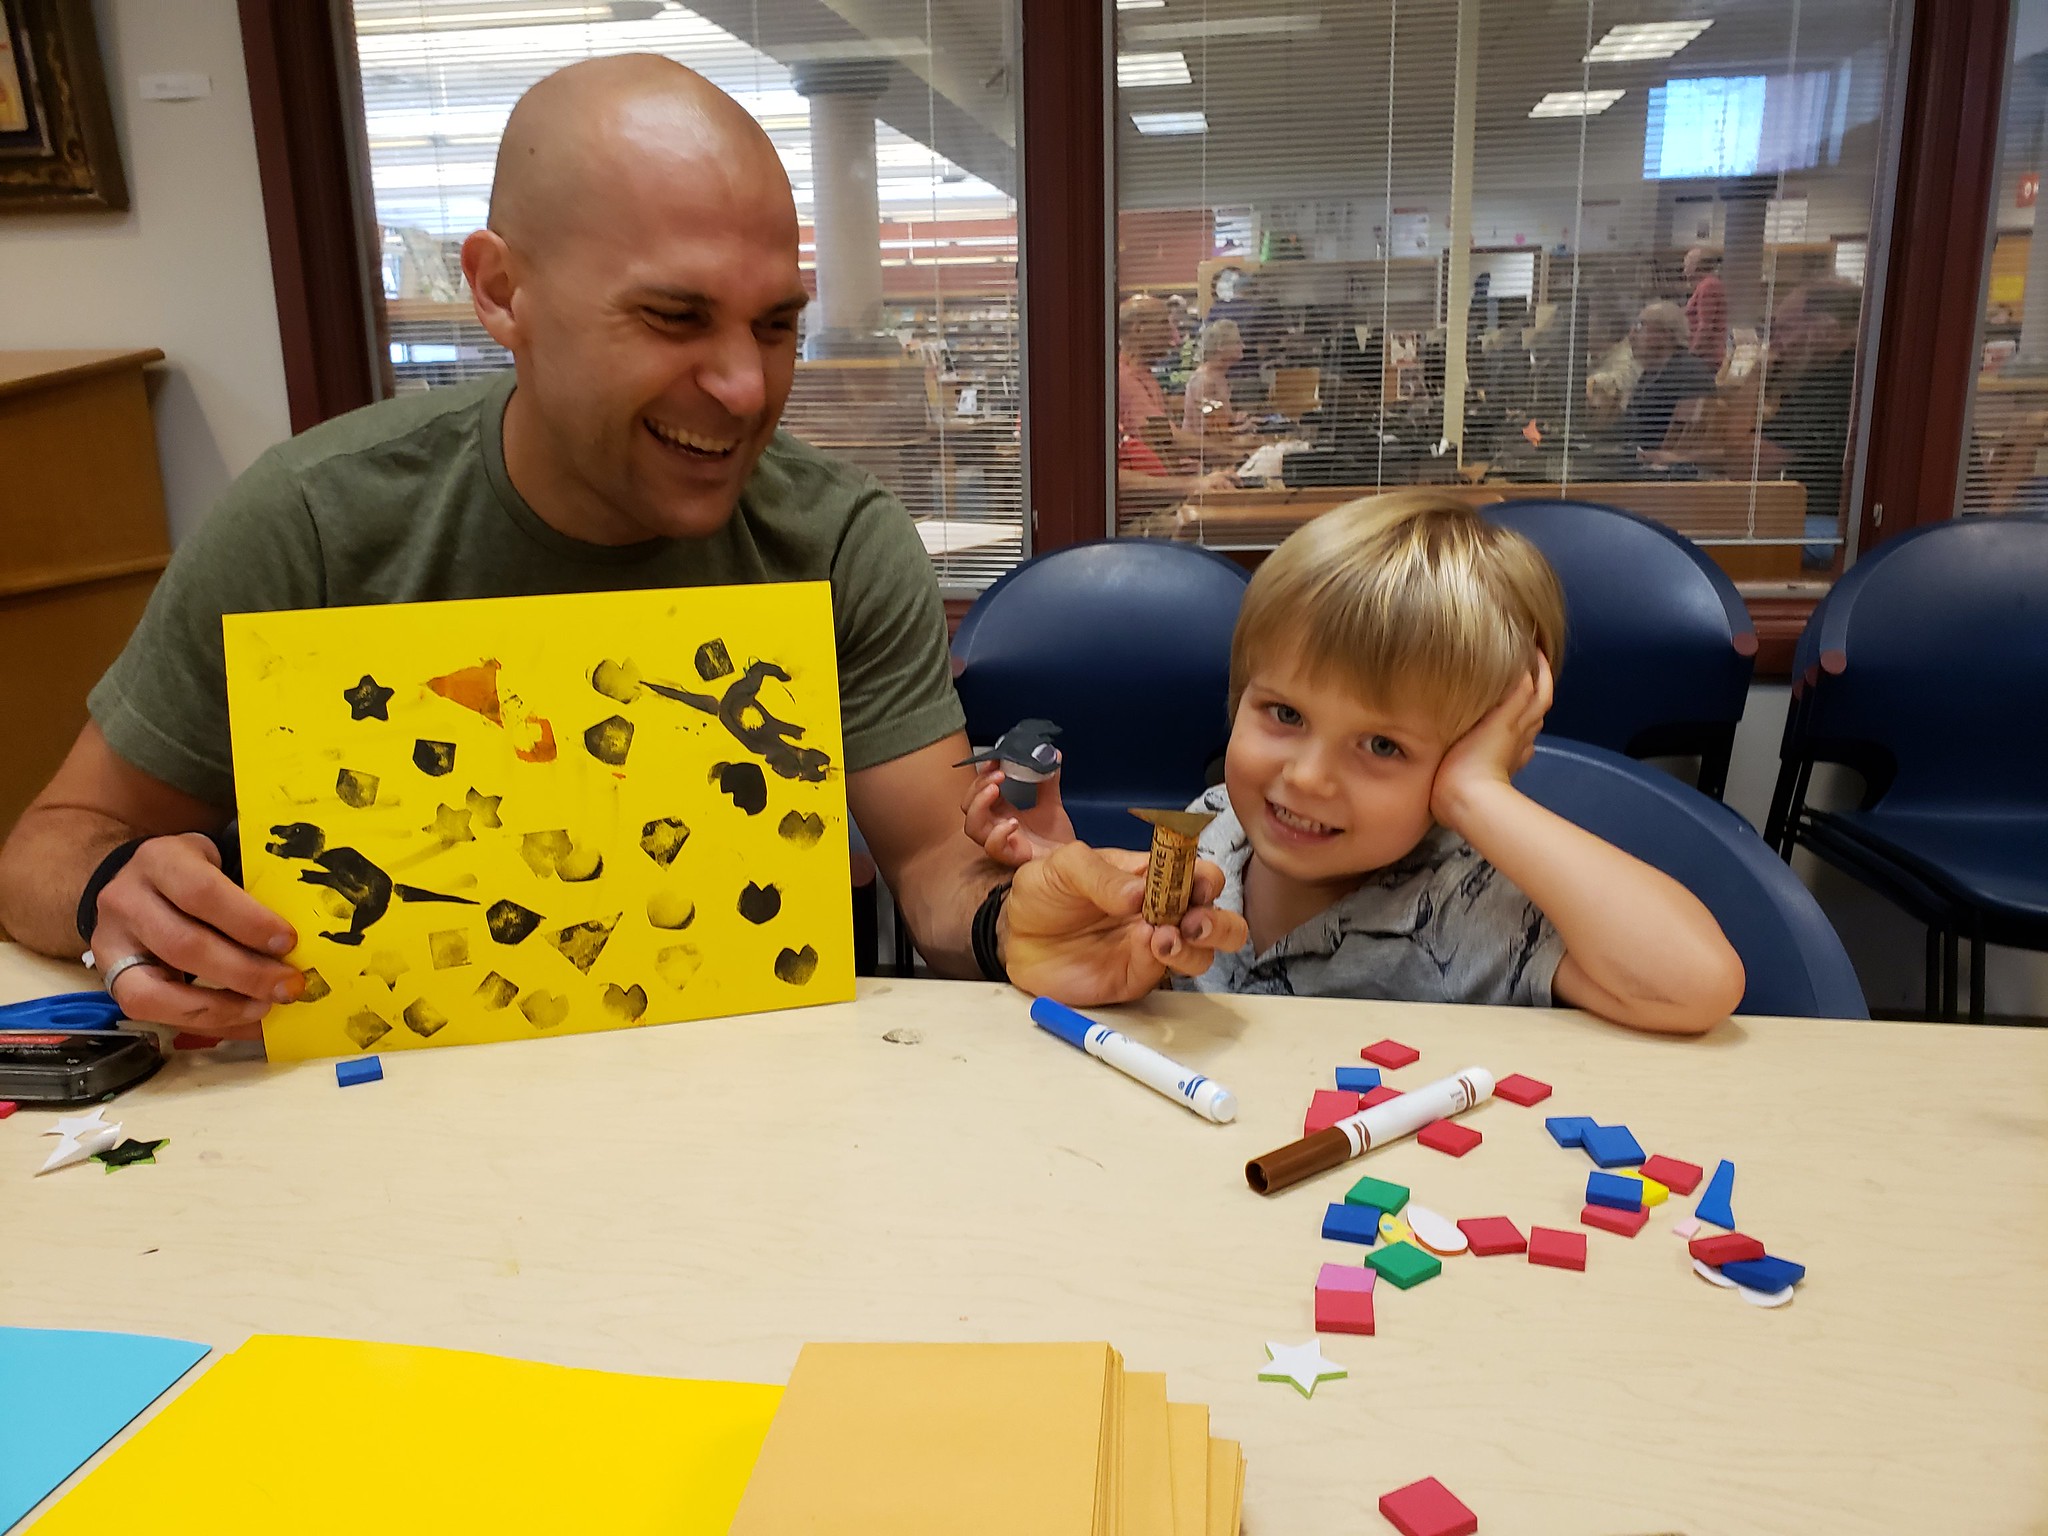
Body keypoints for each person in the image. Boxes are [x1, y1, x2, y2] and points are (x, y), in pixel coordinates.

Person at [0, 56, 1248, 1037]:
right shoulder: (317, 522)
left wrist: (1008, 929)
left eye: (775, 325)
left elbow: (930, 862)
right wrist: (118, 892)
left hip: (757, 1125)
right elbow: (46, 844)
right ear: (500, 293)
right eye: (672, 316)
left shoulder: (833, 539)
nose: (745, 387)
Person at [965, 492, 1745, 1035]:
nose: (1305, 776)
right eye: (1285, 713)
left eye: (1383, 746)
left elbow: (1695, 986)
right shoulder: (1210, 830)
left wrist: (1479, 793)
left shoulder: (1474, 900)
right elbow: (1113, 984)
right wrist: (1064, 866)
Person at [1762, 281, 1862, 569]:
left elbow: (1745, 461)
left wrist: (1761, 367)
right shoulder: (1828, 374)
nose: (1775, 342)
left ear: (1825, 330)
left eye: (1784, 329)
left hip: (1848, 530)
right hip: (1835, 519)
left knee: (1737, 538)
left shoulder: (1840, 382)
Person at [1618, 301, 1718, 457]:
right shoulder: (1651, 373)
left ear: (1664, 333)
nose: (1631, 336)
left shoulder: (1689, 375)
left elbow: (1683, 451)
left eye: (1639, 327)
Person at [1182, 319, 1247, 438]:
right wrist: (1244, 427)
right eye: (1237, 342)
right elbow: (1207, 432)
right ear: (1220, 346)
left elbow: (1221, 421)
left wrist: (1237, 419)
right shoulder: (1204, 381)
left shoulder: (1219, 377)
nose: (1243, 346)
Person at [1683, 246, 1728, 367]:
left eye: (1686, 264)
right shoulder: (1706, 285)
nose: (1684, 270)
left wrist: (1691, 354)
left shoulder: (1708, 286)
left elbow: (1705, 326)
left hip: (1705, 358)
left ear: (1696, 265)